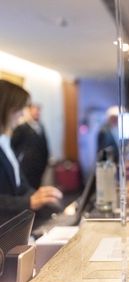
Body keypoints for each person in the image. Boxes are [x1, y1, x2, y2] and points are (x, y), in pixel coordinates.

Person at [0, 80, 63, 225]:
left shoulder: (5, 141)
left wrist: (38, 195)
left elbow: (18, 185)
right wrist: (28, 201)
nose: (22, 114)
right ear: (5, 108)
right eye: (19, 109)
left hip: (14, 226)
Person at [11, 103, 49, 189]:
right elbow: (13, 147)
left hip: (40, 167)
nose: (37, 112)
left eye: (39, 110)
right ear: (29, 111)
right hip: (27, 168)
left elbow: (45, 146)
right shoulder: (22, 128)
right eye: (35, 110)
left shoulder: (41, 127)